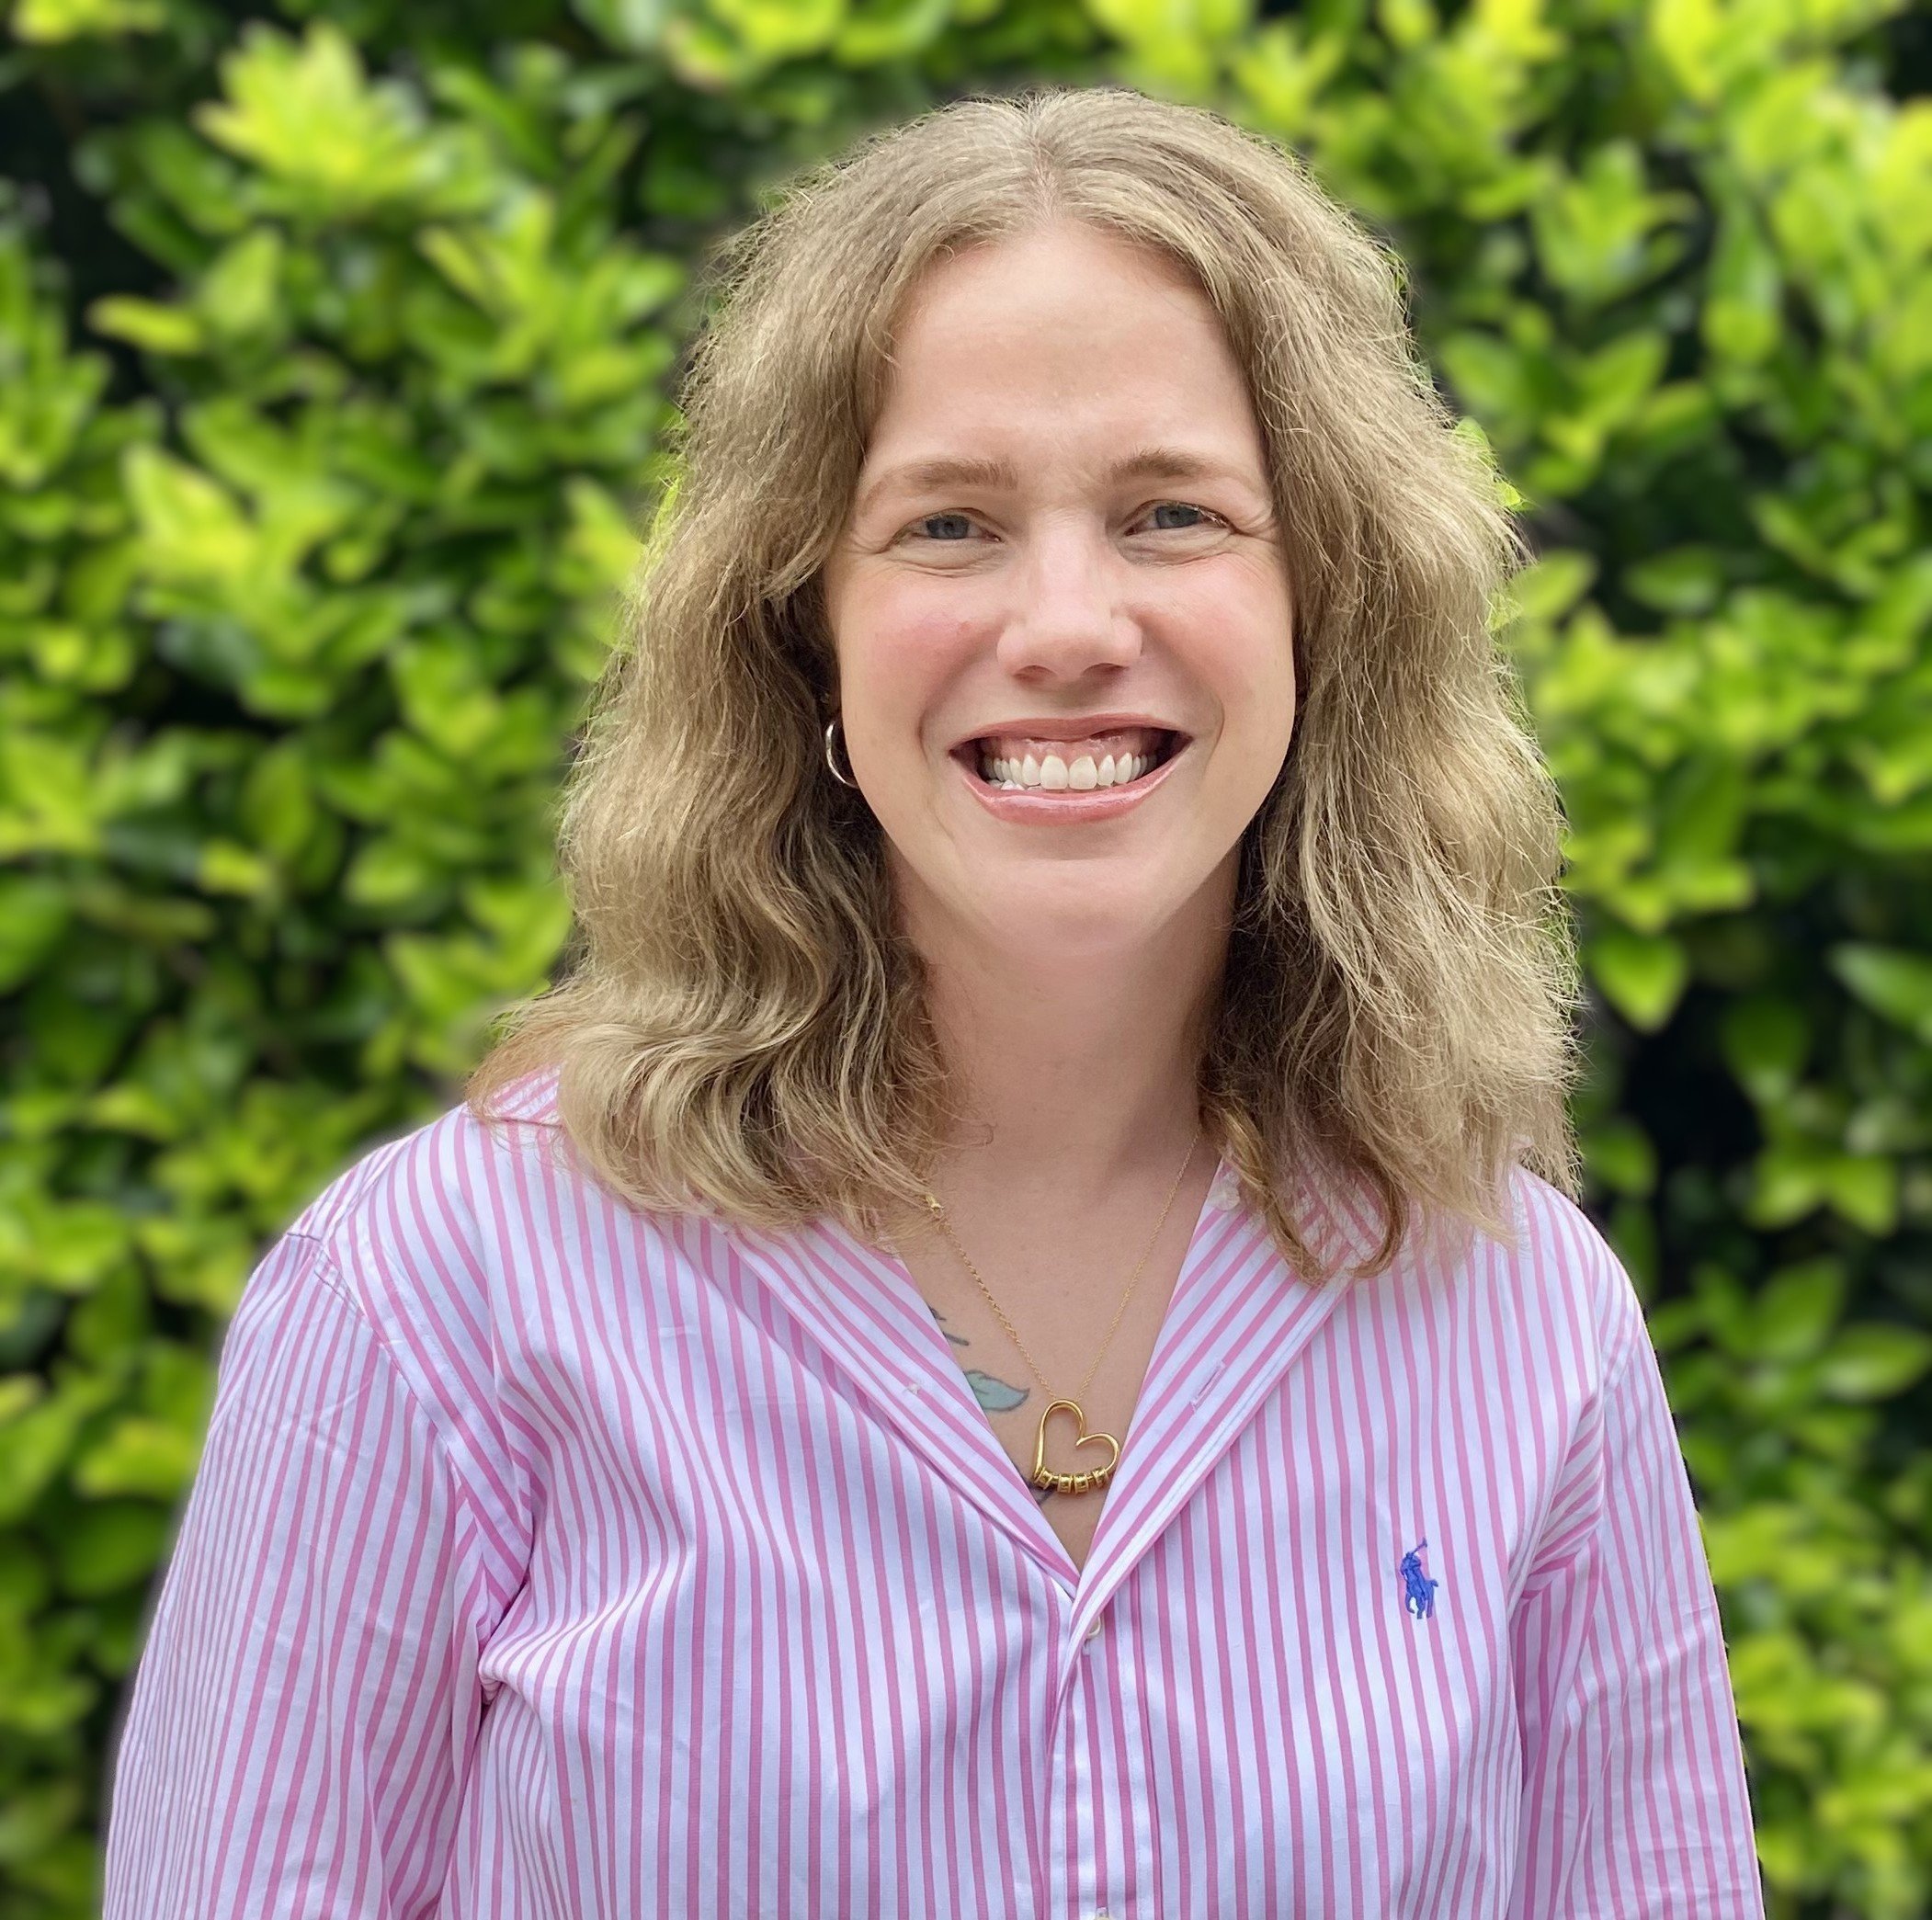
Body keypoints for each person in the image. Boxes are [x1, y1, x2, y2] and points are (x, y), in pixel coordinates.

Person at [101, 84, 1764, 1919]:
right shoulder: (437, 1302)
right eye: (948, 524)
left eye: (1171, 512)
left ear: (1326, 603)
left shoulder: (1522, 1319)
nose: (1064, 624)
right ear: (800, 625)